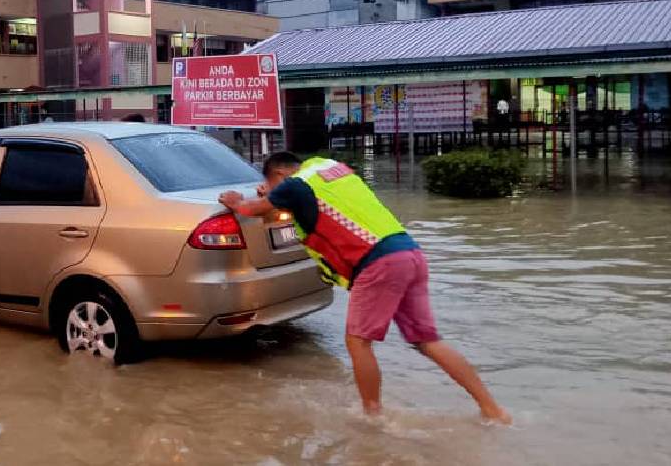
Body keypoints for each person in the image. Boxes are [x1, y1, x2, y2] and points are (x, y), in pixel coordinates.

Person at [218, 152, 511, 423]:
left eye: (269, 183)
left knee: (358, 342)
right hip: (410, 254)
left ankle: (372, 416)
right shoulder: (329, 169)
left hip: (377, 263)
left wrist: (234, 200)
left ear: (279, 174)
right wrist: (275, 196)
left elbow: (251, 209)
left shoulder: (294, 185)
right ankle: (492, 409)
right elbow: (304, 210)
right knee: (427, 340)